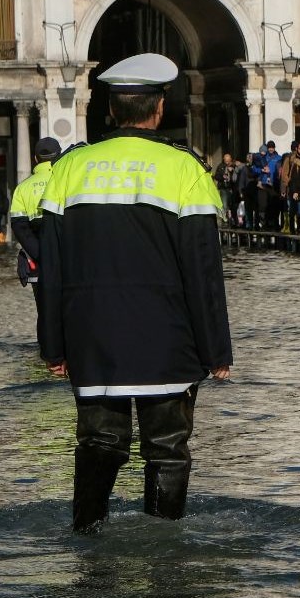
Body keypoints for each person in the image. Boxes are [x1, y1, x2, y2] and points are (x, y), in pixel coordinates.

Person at [37, 53, 231, 533]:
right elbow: (203, 272)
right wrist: (216, 350)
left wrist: (54, 346)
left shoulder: (69, 169)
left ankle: (87, 541)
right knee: (167, 445)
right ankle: (165, 556)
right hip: (168, 338)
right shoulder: (185, 170)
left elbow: (51, 271)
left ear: (110, 109)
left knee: (99, 442)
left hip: (92, 338)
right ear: (158, 109)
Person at [10, 137, 63, 356]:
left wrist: (41, 254)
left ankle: (47, 356)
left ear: (35, 159)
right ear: (59, 156)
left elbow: (19, 227)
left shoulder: (22, 188)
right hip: (67, 258)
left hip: (38, 260)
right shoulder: (66, 181)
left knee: (44, 310)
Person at [213, 153, 242, 227]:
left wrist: (232, 171)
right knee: (225, 206)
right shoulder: (220, 166)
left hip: (231, 188)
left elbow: (237, 176)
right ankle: (225, 220)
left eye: (229, 161)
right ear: (224, 160)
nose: (227, 162)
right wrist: (222, 177)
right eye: (226, 161)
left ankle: (234, 221)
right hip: (224, 188)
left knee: (233, 206)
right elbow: (216, 176)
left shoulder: (234, 166)